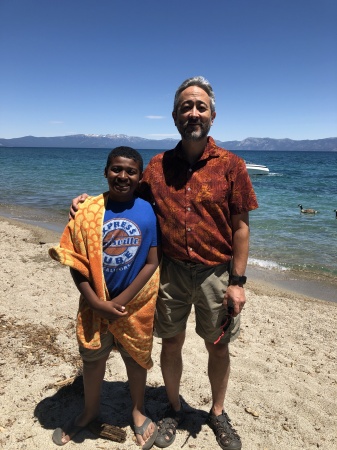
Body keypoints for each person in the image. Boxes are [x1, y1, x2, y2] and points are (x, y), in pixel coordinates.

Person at [70, 77, 258, 450]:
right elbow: (122, 194)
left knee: (218, 346)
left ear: (213, 116)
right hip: (169, 272)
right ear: (175, 117)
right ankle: (173, 408)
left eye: (200, 106)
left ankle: (217, 413)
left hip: (215, 273)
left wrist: (238, 281)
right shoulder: (156, 167)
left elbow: (241, 229)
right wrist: (86, 202)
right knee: (171, 344)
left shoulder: (232, 166)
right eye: (186, 107)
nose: (193, 112)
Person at [49, 146, 161, 449]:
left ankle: (138, 411)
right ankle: (89, 411)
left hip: (133, 305)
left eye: (130, 171)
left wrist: (121, 301)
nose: (122, 176)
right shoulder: (88, 210)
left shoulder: (147, 210)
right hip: (94, 302)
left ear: (140, 176)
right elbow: (76, 261)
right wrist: (98, 302)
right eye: (116, 169)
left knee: (136, 360)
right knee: (93, 359)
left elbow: (152, 262)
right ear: (105, 172)